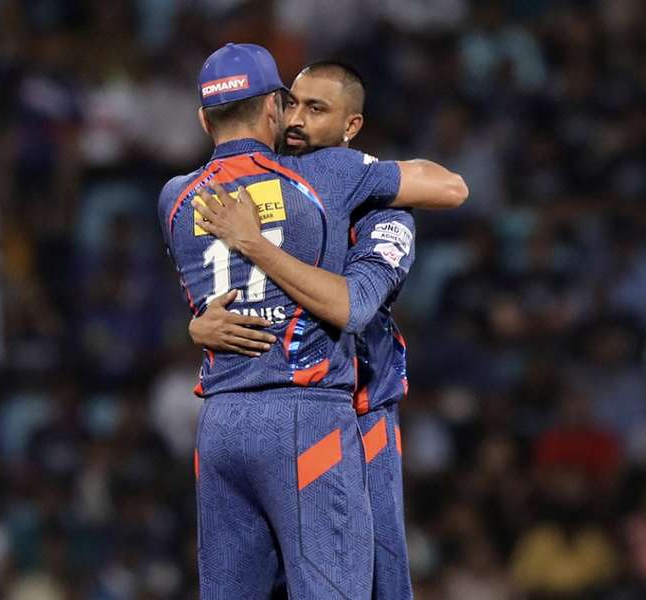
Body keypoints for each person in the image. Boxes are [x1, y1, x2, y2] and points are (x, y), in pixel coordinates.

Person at [157, 43, 466, 599]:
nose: (297, 120)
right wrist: (199, 324)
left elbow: (357, 301)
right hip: (313, 414)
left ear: (353, 126)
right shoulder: (315, 179)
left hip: (357, 417)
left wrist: (240, 264)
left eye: (315, 109)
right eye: (293, 104)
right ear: (274, 107)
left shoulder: (373, 205)